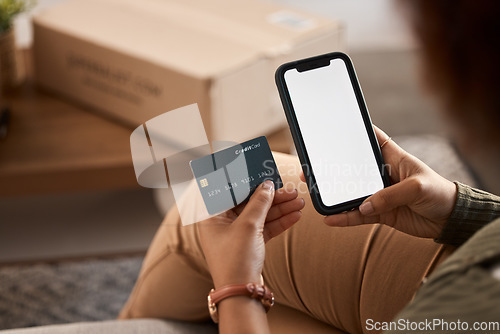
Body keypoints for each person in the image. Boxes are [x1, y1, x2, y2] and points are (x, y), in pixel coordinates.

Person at [119, 1, 500, 333]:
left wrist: (237, 287)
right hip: (479, 245)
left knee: (202, 205)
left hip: (457, 297)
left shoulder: (463, 307)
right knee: (275, 295)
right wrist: (460, 208)